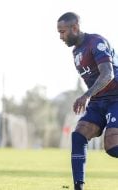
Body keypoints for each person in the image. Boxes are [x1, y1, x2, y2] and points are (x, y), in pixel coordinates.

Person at [57, 12, 118, 190]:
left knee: (112, 145)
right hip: (99, 101)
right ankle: (78, 187)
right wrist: (90, 96)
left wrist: (86, 95)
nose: (60, 37)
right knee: (79, 135)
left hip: (116, 97)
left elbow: (108, 74)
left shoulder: (96, 42)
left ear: (74, 28)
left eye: (63, 32)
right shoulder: (76, 52)